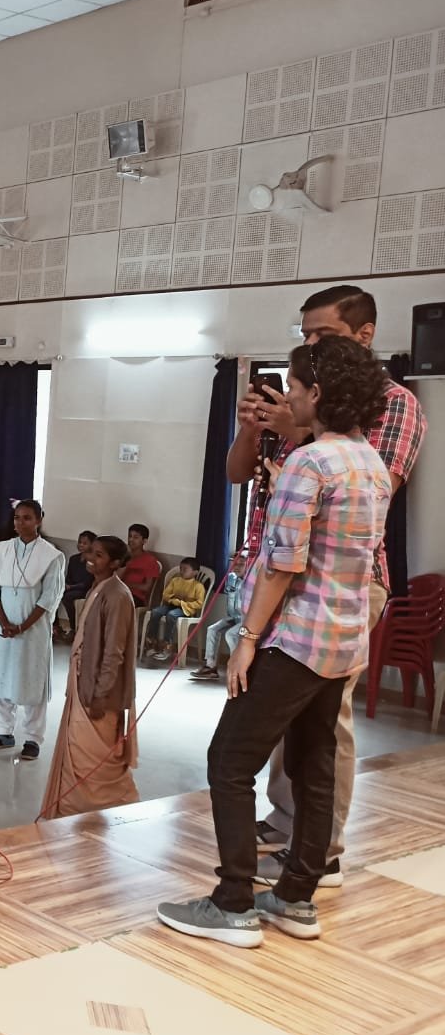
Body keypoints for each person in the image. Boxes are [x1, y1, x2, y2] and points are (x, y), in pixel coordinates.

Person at [158, 336, 392, 948]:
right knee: (315, 764)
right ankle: (295, 898)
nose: (288, 398)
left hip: (295, 641)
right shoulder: (371, 463)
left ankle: (233, 901)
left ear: (318, 393)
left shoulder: (309, 464)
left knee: (230, 762)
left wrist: (247, 638)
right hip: (344, 640)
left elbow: (283, 565)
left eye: (293, 387)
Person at [234, 287, 426, 888]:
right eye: (306, 336)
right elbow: (243, 475)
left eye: (324, 335)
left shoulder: (394, 404)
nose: (312, 345)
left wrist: (298, 432)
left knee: (323, 720)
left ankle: (323, 850)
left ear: (364, 336)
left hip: (342, 583)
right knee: (285, 712)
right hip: (282, 576)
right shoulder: (306, 412)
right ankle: (287, 821)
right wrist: (256, 430)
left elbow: (367, 495)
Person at [40, 535, 140, 818]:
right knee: (76, 748)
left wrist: (100, 694)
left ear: (116, 563)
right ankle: (70, 811)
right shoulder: (98, 587)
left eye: (99, 555)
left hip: (98, 692)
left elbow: (114, 653)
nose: (90, 559)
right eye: (90, 552)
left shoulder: (117, 595)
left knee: (96, 758)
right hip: (83, 683)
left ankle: (106, 809)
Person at [0, 499, 66, 762]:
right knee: (1, 677)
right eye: (17, 518)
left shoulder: (51, 556)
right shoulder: (0, 550)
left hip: (33, 629)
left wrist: (22, 626)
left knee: (32, 680)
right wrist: (3, 622)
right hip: (4, 627)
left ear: (39, 519)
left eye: (27, 518)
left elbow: (49, 597)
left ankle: (32, 738)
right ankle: (3, 732)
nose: (20, 523)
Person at [192, 553, 248, 682]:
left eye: (241, 564)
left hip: (246, 620)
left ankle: (235, 669)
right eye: (234, 563)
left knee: (231, 635)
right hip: (234, 617)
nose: (236, 567)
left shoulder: (251, 581)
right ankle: (210, 667)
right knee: (212, 629)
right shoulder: (231, 578)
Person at [142, 557, 206, 662]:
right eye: (181, 568)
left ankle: (167, 646)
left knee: (171, 615)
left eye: (185, 569)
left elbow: (199, 603)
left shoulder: (198, 586)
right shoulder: (175, 580)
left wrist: (182, 603)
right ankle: (151, 642)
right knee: (155, 612)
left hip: (186, 609)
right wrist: (172, 600)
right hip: (171, 605)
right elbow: (165, 594)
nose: (181, 571)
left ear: (195, 572)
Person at [57, 530, 96, 640]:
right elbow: (69, 577)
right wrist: (65, 585)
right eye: (80, 542)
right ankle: (56, 626)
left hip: (85, 590)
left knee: (67, 597)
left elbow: (88, 582)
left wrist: (71, 587)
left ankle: (74, 628)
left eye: (85, 543)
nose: (81, 545)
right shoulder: (74, 559)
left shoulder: (92, 561)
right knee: (55, 592)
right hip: (71, 588)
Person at [120, 524, 162, 606]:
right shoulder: (123, 556)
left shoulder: (150, 561)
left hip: (136, 597)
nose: (131, 539)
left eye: (135, 537)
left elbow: (147, 587)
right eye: (130, 536)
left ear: (144, 541)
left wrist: (125, 585)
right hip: (119, 592)